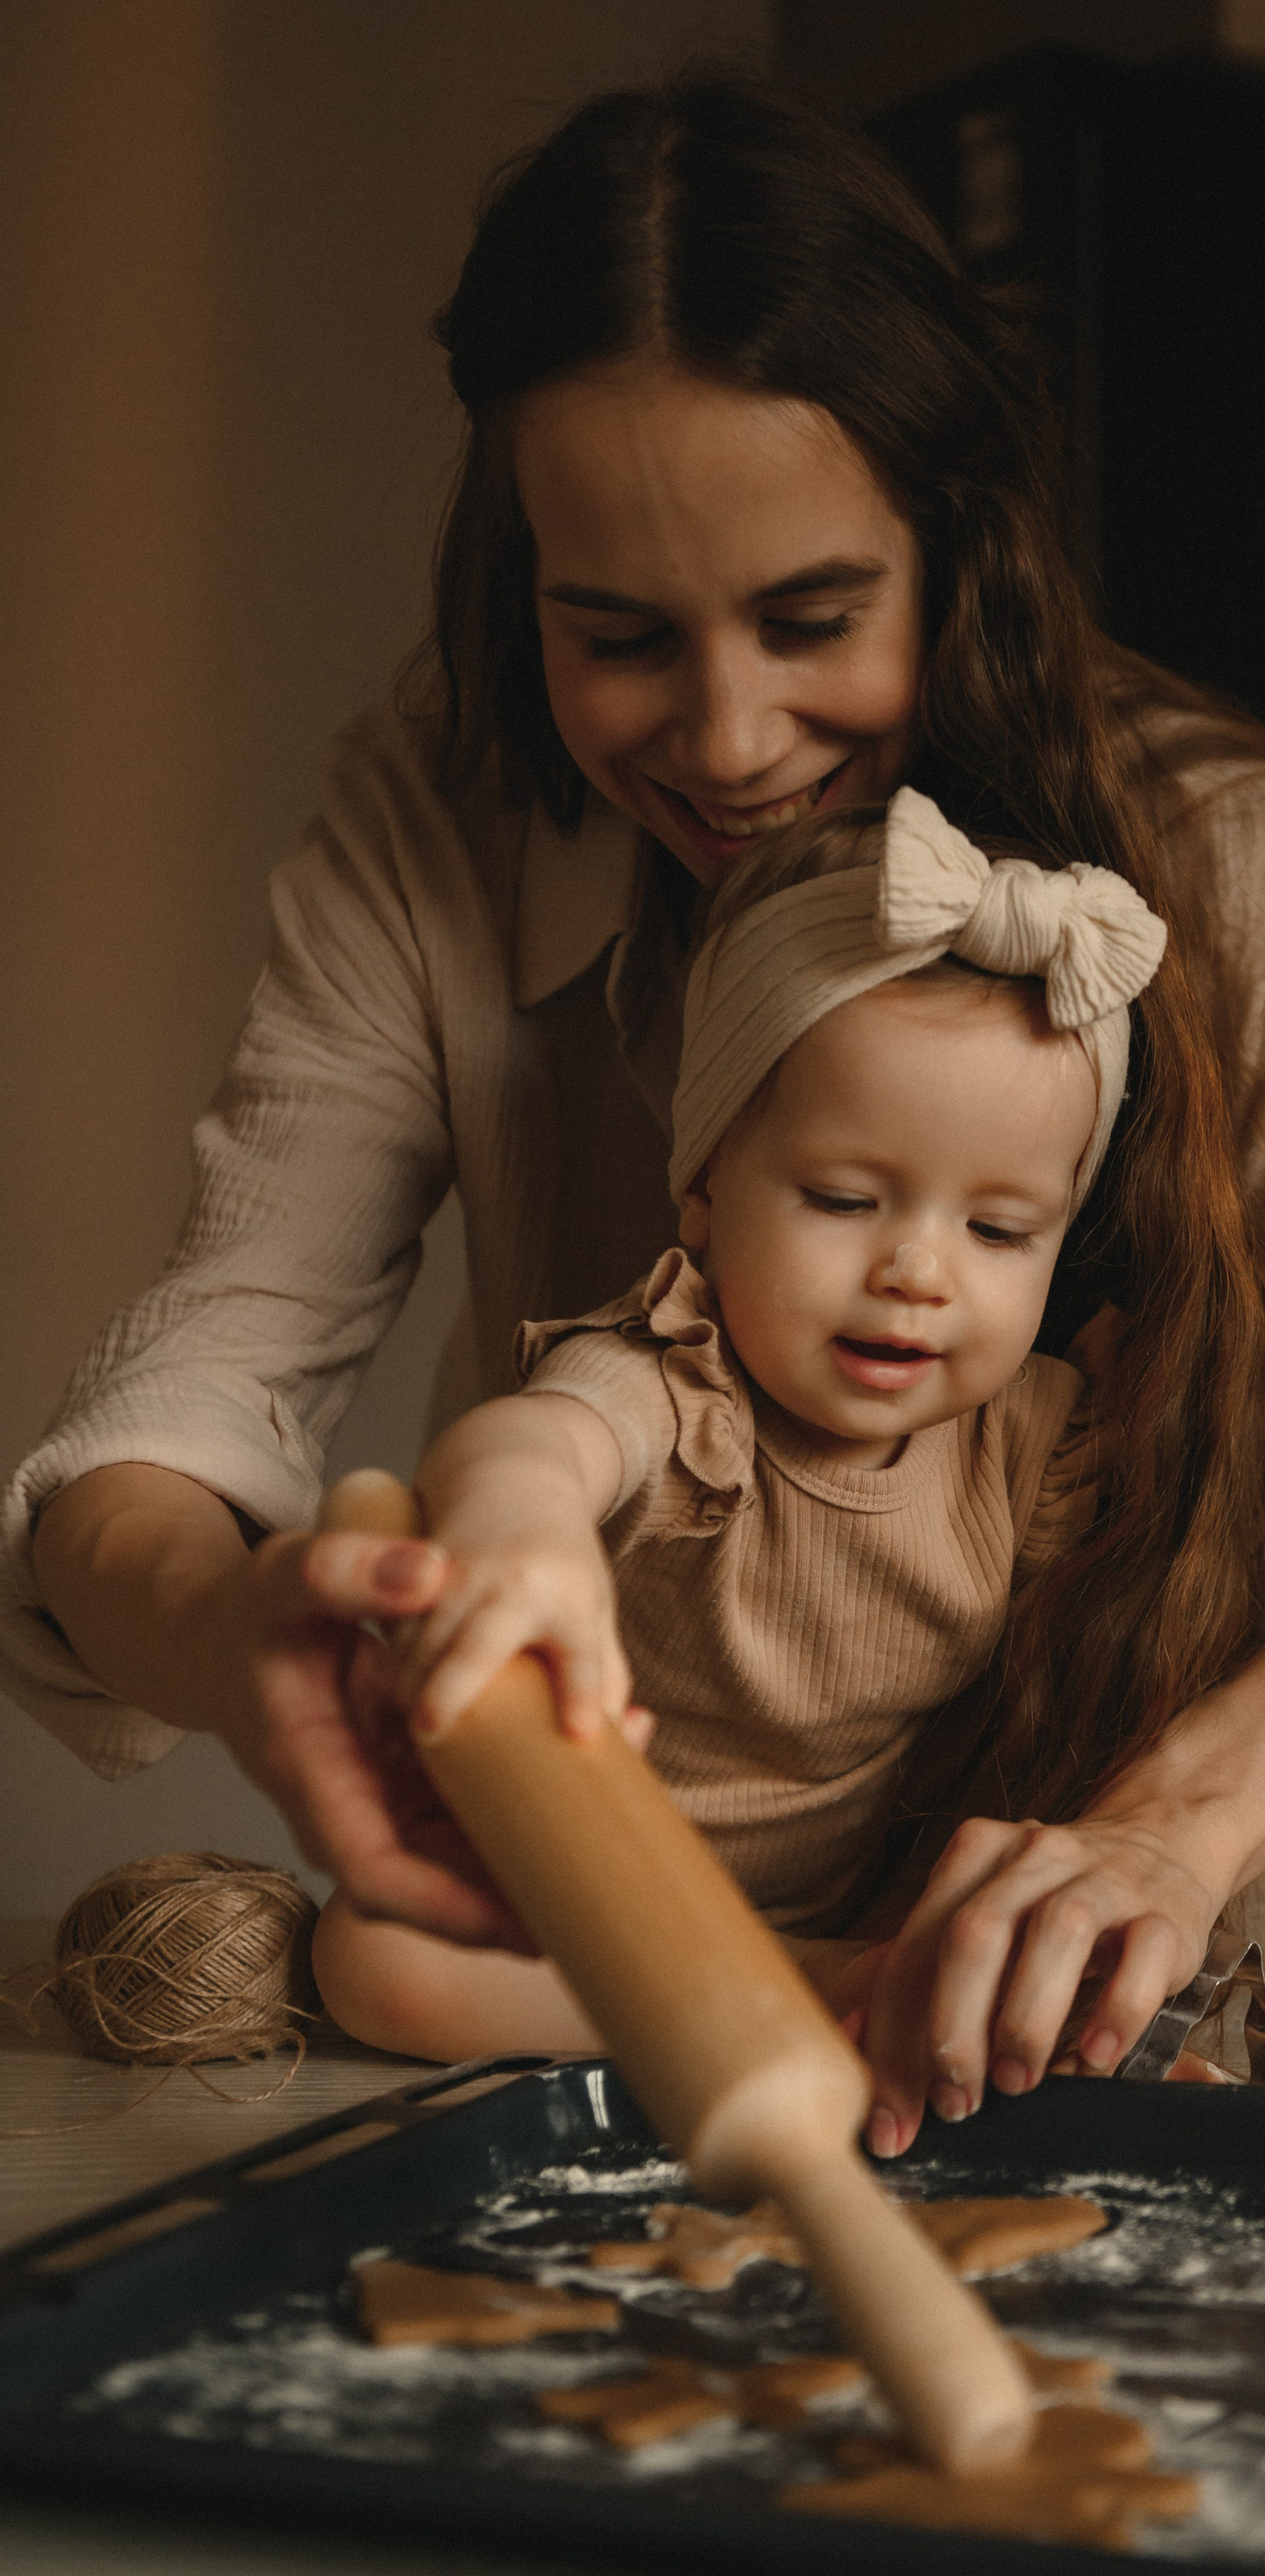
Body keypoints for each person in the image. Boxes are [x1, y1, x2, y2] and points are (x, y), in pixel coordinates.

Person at [8, 76, 1265, 2158]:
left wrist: (1160, 1842)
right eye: (622, 637)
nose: (734, 739)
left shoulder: (1206, 843)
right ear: (519, 567)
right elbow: (205, 1391)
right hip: (616, 1991)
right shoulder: (437, 823)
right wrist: (236, 1624)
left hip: (1087, 2011)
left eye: (817, 619)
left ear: (961, 535)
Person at [312, 787, 1164, 2106]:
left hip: (860, 1889)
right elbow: (534, 1445)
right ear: (705, 1186)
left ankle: (838, 1977)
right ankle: (806, 1998)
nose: (918, 1272)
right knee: (375, 1961)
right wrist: (518, 1520)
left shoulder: (1032, 1444)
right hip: (584, 1904)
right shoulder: (679, 1377)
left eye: (1000, 1233)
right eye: (843, 1199)